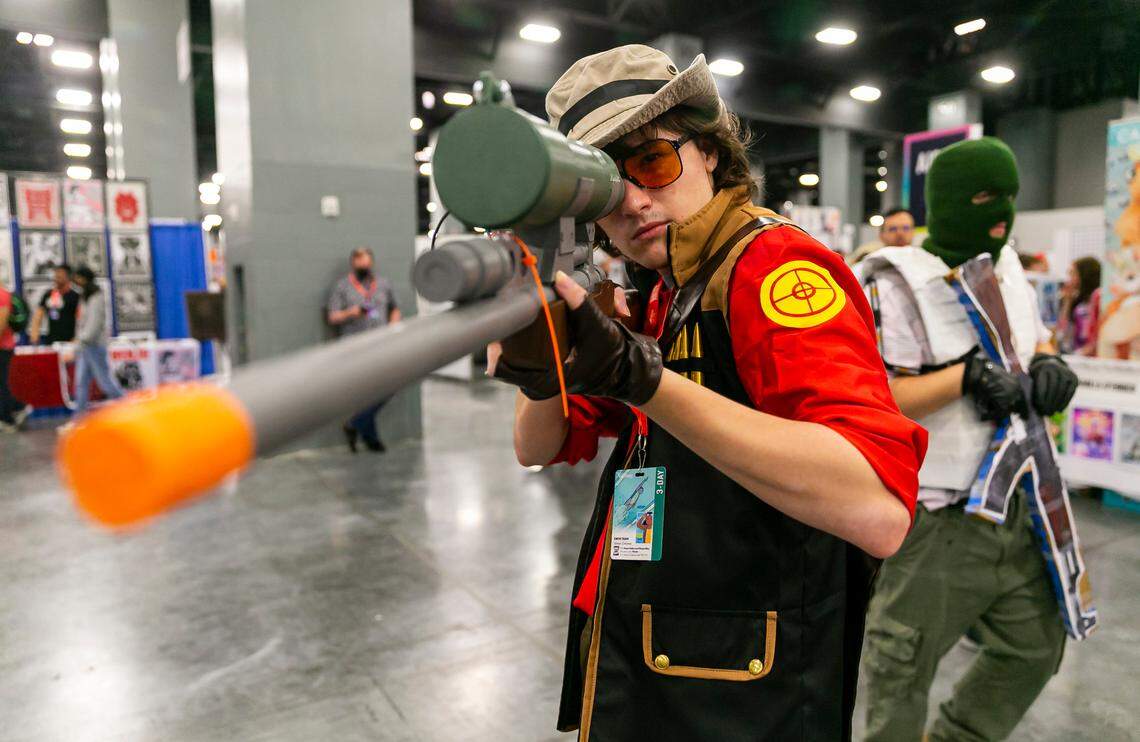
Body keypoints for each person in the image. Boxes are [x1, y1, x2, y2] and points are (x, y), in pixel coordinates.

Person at [489, 45, 926, 740]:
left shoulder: (771, 266)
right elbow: (535, 444)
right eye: (604, 187)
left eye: (653, 161)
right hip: (661, 655)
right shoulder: (664, 286)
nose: (634, 201)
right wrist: (541, 327)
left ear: (710, 153)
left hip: (742, 691)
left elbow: (877, 510)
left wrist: (642, 380)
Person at [859, 137, 1077, 741]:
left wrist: (1048, 359)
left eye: (1010, 195)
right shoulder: (894, 282)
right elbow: (878, 398)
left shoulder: (1007, 266)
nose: (1001, 212)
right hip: (937, 516)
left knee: (1036, 646)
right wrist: (965, 378)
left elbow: (1034, 335)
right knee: (901, 672)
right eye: (985, 197)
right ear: (951, 201)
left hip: (1020, 503)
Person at [327, 247, 401, 452]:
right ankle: (370, 437)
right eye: (360, 263)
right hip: (355, 348)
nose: (364, 266)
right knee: (365, 391)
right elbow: (332, 316)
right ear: (353, 263)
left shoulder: (383, 284)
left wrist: (393, 326)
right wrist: (351, 312)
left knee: (390, 385)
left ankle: (355, 424)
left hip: (381, 345)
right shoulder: (342, 287)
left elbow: (395, 308)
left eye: (367, 263)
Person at [68, 266, 124, 416]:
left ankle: (130, 409)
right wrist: (80, 342)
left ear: (84, 278)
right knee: (81, 384)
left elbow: (93, 325)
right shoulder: (85, 296)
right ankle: (79, 419)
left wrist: (80, 340)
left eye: (78, 277)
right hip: (85, 348)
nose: (75, 281)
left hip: (94, 347)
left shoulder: (96, 296)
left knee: (105, 383)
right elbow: (82, 323)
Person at [1057, 256, 1102, 355]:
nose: (1069, 279)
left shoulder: (1097, 299)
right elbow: (1062, 333)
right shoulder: (1078, 301)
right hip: (1075, 353)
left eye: (1073, 273)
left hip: (1086, 355)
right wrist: (1067, 301)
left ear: (1084, 275)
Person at [0, 284, 30, 431]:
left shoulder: (2, 294)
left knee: (1, 384)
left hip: (3, 347)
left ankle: (7, 420)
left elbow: (2, 322)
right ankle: (18, 407)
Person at [28, 263, 80, 345]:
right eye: (56, 275)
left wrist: (77, 337)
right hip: (52, 340)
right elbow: (39, 314)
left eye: (60, 276)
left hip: (70, 340)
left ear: (68, 277)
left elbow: (80, 318)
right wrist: (35, 331)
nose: (57, 278)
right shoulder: (49, 295)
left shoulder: (75, 296)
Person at [849, 207, 915, 265]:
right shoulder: (868, 258)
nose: (900, 233)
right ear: (881, 235)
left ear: (913, 231)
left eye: (906, 228)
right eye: (893, 229)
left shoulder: (920, 259)